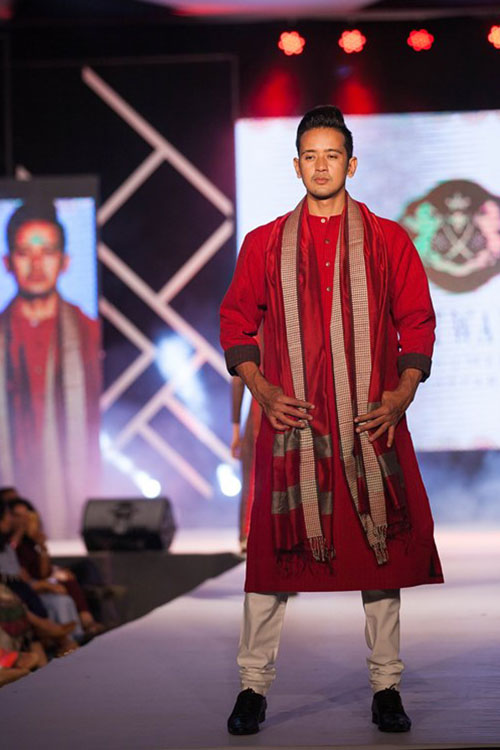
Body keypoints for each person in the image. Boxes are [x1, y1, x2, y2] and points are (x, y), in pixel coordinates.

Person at [220, 106, 444, 735]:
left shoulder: (388, 239)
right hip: (293, 427)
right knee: (269, 565)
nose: (321, 167)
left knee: (381, 557)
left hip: (369, 423)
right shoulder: (264, 243)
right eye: (310, 157)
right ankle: (252, 688)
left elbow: (417, 322)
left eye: (332, 155)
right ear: (296, 166)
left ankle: (387, 688)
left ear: (352, 163)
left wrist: (401, 395)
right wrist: (263, 391)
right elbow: (236, 322)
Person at [0, 199, 101, 537]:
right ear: (8, 262)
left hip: (72, 484)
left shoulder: (88, 331)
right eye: (24, 253)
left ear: (65, 261)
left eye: (47, 252)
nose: (36, 265)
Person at [9, 496, 104, 637]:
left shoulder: (29, 543)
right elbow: (18, 576)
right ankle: (77, 632)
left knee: (68, 582)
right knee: (62, 597)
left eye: (27, 515)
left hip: (35, 585)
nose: (24, 520)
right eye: (18, 516)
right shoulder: (10, 545)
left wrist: (42, 547)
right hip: (23, 590)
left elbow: (43, 573)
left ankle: (80, 631)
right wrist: (46, 585)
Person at [230, 377, 261, 553]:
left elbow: (237, 380)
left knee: (252, 478)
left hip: (261, 410)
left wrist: (235, 431)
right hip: (289, 405)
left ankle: (247, 534)